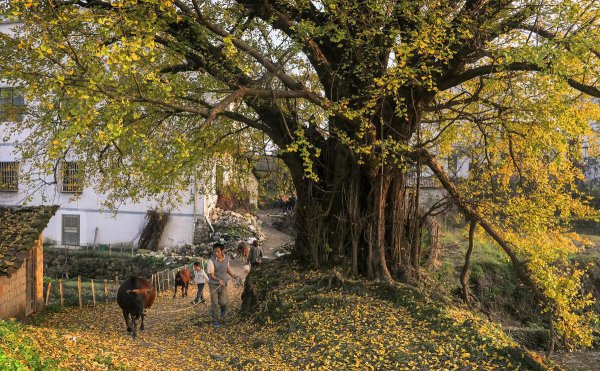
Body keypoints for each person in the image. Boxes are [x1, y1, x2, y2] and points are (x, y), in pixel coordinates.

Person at [207, 242, 239, 329]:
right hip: (213, 285)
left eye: (217, 251)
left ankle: (223, 309)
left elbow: (227, 268)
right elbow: (211, 275)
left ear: (222, 251)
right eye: (214, 252)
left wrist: (233, 275)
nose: (216, 253)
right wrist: (218, 280)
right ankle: (216, 320)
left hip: (223, 284)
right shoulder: (211, 261)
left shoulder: (226, 258)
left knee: (223, 302)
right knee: (215, 304)